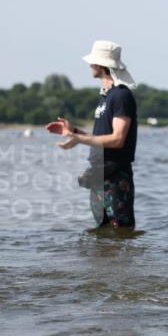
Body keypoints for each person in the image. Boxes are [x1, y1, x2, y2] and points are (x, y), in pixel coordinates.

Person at [46, 40, 138, 230]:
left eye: (92, 62)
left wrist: (79, 140)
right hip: (99, 173)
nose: (89, 65)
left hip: (116, 174)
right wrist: (74, 132)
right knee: (101, 232)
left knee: (121, 231)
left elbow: (117, 139)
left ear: (101, 65)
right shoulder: (106, 96)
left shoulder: (121, 95)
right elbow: (102, 137)